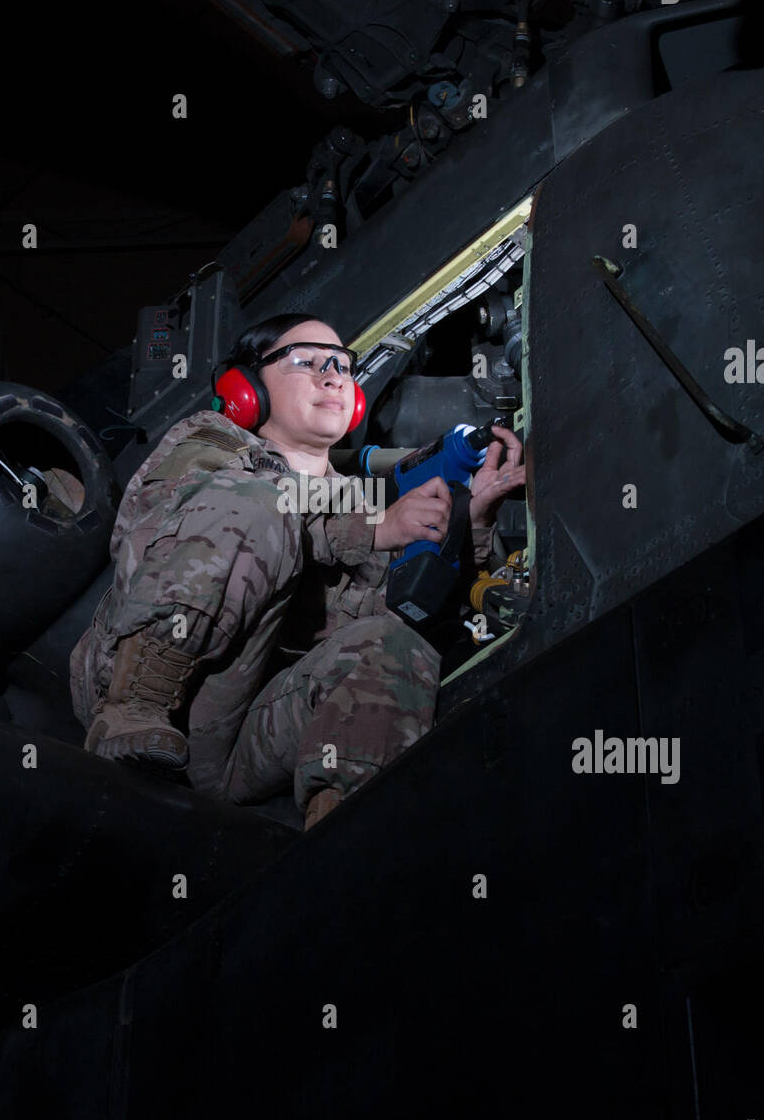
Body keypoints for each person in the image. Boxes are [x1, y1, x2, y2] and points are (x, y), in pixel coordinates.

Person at [69, 313, 525, 830]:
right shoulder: (209, 448)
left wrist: (475, 522)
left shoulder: (358, 501)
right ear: (246, 390)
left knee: (391, 641)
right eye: (304, 362)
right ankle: (134, 704)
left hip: (238, 740)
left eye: (342, 366)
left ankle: (342, 837)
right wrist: (370, 531)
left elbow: (406, 614)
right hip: (147, 711)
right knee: (259, 506)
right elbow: (161, 538)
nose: (332, 376)